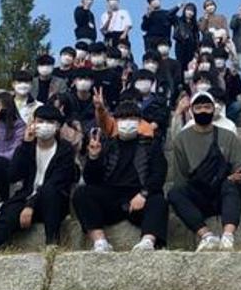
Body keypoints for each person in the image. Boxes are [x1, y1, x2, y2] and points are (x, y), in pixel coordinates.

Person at [0, 106, 78, 253]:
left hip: (53, 201)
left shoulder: (65, 150)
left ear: (58, 127)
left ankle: (52, 243)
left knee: (50, 192)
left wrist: (30, 206)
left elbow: (57, 182)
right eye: (40, 121)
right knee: (10, 211)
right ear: (33, 123)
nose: (44, 125)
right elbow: (13, 175)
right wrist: (26, 144)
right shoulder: (27, 147)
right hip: (26, 196)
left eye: (50, 122)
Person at [71, 101, 170, 252]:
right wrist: (93, 158)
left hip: (138, 196)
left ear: (139, 122)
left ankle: (148, 241)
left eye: (132, 119)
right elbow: (92, 180)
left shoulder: (151, 145)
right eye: (123, 119)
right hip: (111, 196)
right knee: (82, 193)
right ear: (116, 122)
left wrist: (144, 194)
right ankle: (100, 241)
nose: (127, 123)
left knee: (158, 201)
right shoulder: (107, 144)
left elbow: (158, 174)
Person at [167, 92, 241, 251]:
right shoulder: (181, 139)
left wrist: (240, 173)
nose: (203, 111)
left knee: (231, 184)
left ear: (214, 109)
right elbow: (180, 175)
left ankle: (228, 236)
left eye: (207, 107)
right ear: (191, 111)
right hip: (199, 193)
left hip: (223, 192)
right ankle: (207, 236)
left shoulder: (228, 135)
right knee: (175, 193)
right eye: (198, 108)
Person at [173, 2, 200, 72]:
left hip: (191, 48)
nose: (190, 12)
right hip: (181, 45)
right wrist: (178, 7)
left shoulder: (195, 25)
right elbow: (169, 15)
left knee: (190, 68)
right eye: (188, 10)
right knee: (180, 66)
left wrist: (197, 51)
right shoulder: (178, 20)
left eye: (192, 11)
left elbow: (197, 38)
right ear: (184, 10)